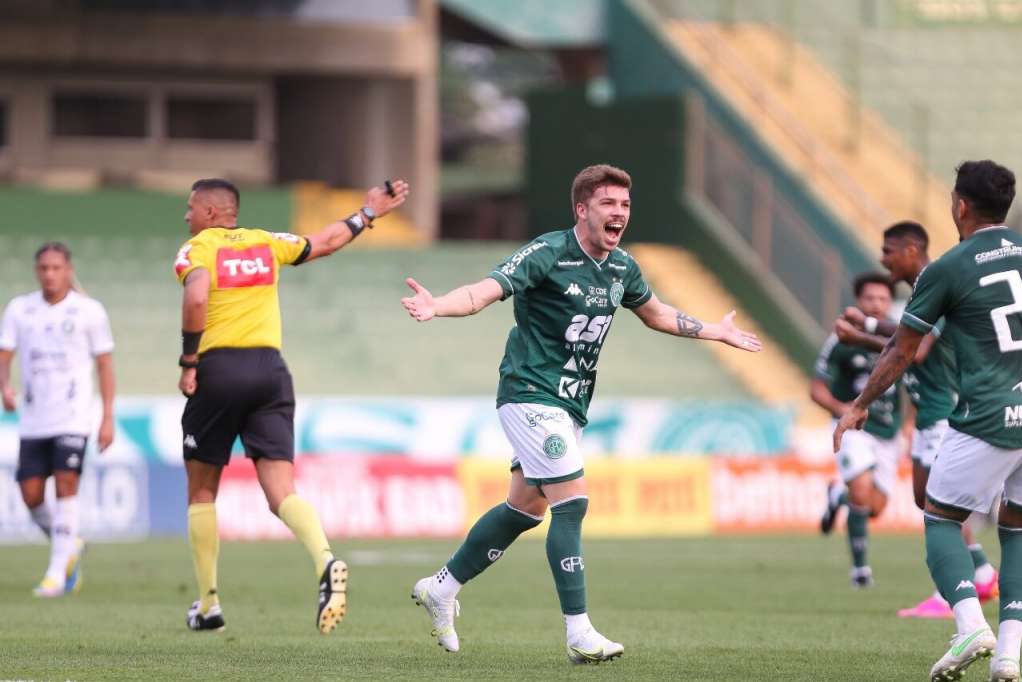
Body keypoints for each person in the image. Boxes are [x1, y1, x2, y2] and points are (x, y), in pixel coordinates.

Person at [400, 163, 762, 663]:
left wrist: (713, 331)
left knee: (526, 508)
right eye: (609, 204)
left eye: (626, 206)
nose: (620, 214)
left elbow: (656, 313)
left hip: (569, 403)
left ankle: (442, 587)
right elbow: (484, 292)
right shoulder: (548, 252)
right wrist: (438, 305)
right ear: (582, 209)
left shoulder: (622, 268)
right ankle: (579, 633)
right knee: (574, 502)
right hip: (529, 394)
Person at [174, 177, 408, 633]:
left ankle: (208, 605)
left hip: (219, 369)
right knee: (282, 491)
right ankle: (325, 559)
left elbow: (197, 294)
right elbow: (324, 243)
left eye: (190, 208)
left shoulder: (199, 248)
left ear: (209, 213)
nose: (186, 216)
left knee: (202, 491)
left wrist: (188, 360)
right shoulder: (267, 242)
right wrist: (368, 212)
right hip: (271, 371)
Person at [833, 160, 1022, 682]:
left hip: (988, 415)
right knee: (1018, 530)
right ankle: (1008, 656)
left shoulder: (952, 266)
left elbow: (902, 349)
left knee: (940, 515)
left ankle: (968, 623)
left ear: (959, 205)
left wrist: (859, 403)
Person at [831, 221, 998, 618]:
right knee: (926, 499)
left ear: (911, 250)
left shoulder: (937, 280)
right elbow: (907, 338)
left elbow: (917, 349)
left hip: (947, 412)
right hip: (929, 416)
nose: (882, 258)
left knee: (941, 506)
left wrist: (862, 332)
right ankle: (983, 571)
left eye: (888, 250)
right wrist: (868, 327)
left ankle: (952, 594)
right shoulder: (924, 288)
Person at [0, 242, 115, 597]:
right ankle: (70, 545)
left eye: (56, 268)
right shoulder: (21, 309)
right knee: (31, 494)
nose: (50, 274)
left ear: (68, 270)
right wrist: (5, 387)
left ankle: (54, 574)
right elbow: (4, 354)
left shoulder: (89, 311)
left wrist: (107, 416)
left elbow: (105, 365)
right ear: (37, 271)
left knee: (67, 484)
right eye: (44, 268)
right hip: (35, 418)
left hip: (73, 416)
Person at [811, 272, 902, 588]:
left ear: (891, 303)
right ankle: (860, 571)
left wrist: (913, 424)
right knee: (861, 492)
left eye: (883, 299)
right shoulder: (841, 338)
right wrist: (844, 411)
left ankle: (838, 495)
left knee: (874, 508)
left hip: (889, 430)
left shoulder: (901, 337)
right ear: (858, 301)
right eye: (869, 298)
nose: (876, 304)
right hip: (854, 429)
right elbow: (817, 390)